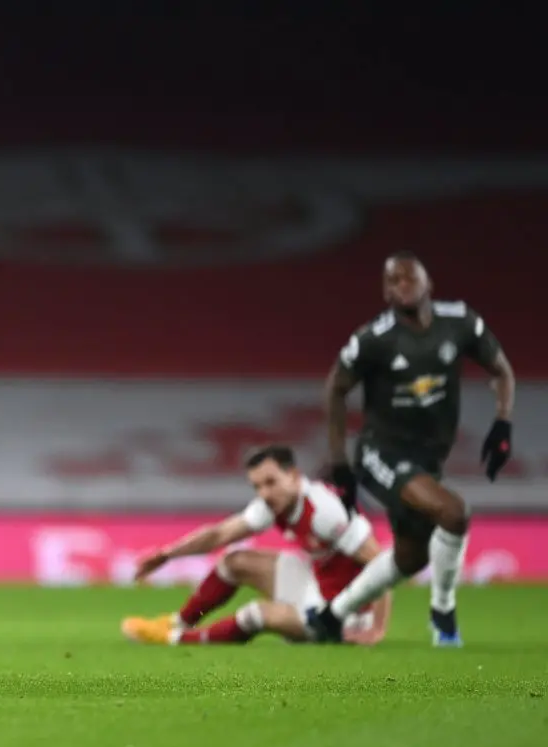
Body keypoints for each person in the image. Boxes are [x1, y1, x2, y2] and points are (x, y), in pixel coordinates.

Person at [308, 252, 515, 647]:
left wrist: (503, 423)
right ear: (385, 292)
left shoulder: (460, 322)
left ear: (428, 284)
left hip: (428, 458)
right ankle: (443, 613)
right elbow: (336, 387)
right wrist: (339, 461)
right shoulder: (374, 339)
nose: (402, 285)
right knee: (453, 513)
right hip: (381, 453)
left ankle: (331, 617)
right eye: (393, 280)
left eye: (409, 278)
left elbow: (502, 370)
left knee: (411, 557)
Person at [122, 445, 391, 646]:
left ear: (293, 476)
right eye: (257, 486)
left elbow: (381, 565)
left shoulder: (324, 512)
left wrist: (375, 629)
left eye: (271, 482)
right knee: (234, 562)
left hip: (344, 612)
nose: (264, 493)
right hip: (316, 583)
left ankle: (175, 639)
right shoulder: (275, 503)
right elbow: (219, 535)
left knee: (256, 614)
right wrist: (167, 554)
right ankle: (178, 622)